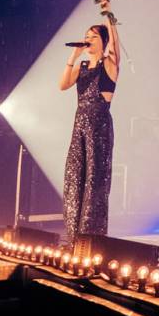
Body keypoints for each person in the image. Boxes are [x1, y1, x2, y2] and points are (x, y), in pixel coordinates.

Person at [60, 18, 120, 246]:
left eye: (93, 37)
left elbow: (115, 46)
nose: (88, 40)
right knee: (75, 177)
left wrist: (108, 14)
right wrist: (73, 57)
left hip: (98, 126)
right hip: (80, 126)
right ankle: (74, 237)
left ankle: (91, 237)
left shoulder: (109, 65)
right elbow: (63, 85)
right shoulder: (82, 66)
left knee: (94, 180)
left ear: (103, 41)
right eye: (86, 36)